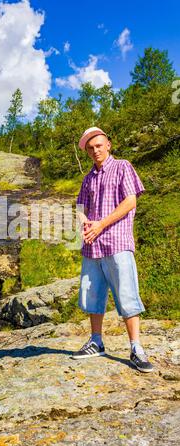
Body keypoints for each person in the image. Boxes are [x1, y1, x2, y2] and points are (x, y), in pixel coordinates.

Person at [70, 127, 154, 373]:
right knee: (92, 294)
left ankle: (136, 347)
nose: (95, 150)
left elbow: (130, 201)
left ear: (108, 144)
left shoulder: (123, 167)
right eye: (90, 148)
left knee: (127, 293)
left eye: (98, 145)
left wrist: (100, 225)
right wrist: (84, 222)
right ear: (87, 152)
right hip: (92, 246)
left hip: (117, 241)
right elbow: (79, 207)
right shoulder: (88, 178)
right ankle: (96, 341)